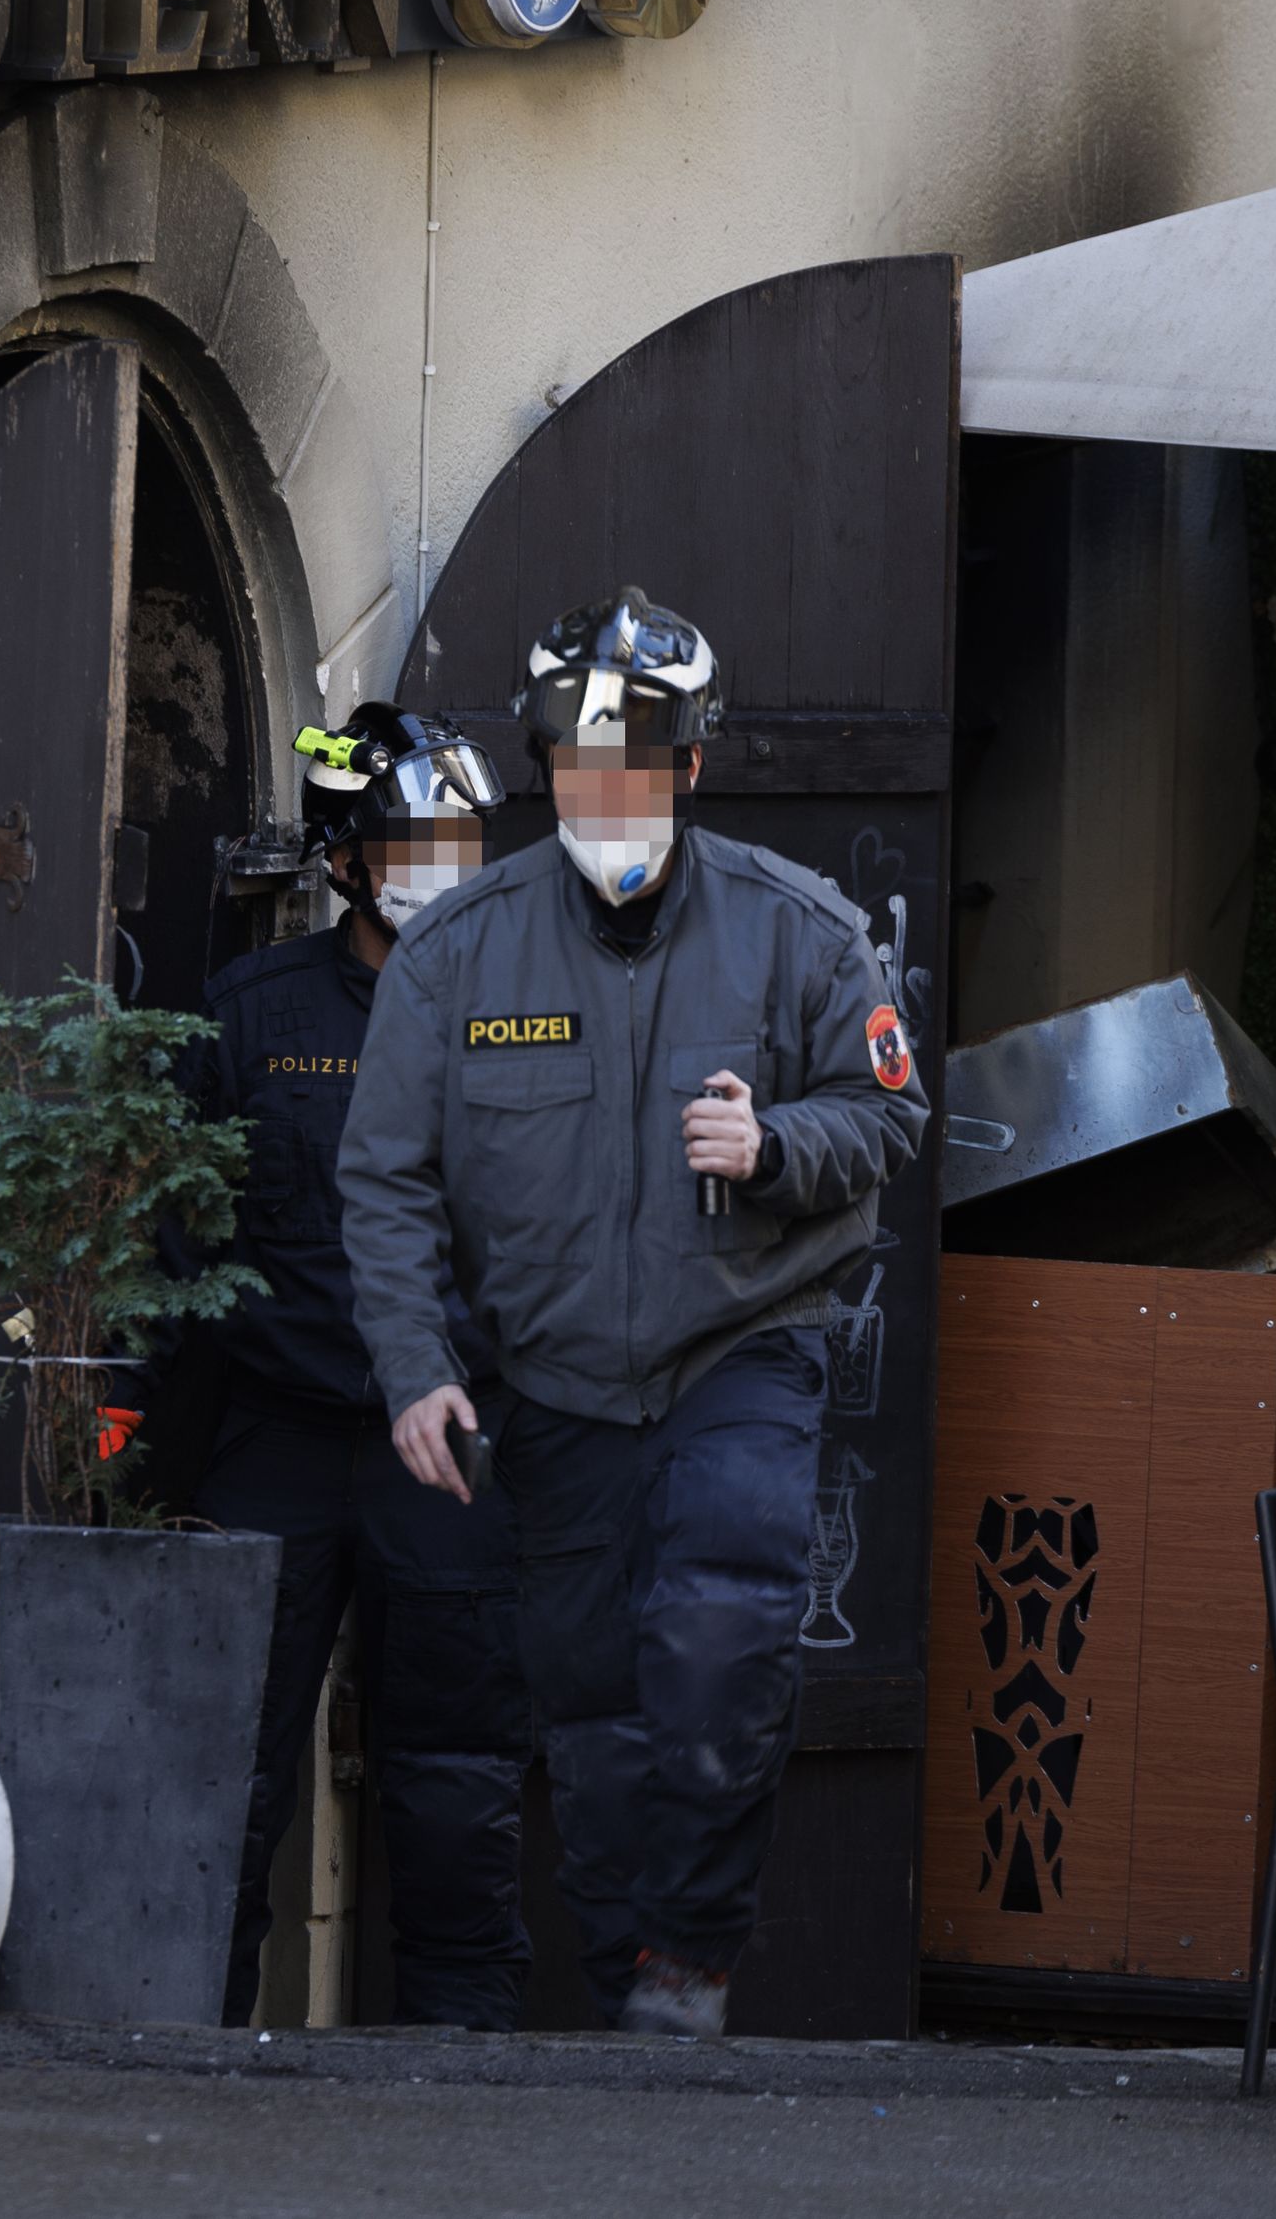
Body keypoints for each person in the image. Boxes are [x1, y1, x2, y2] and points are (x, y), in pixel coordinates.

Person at [338, 588, 927, 2038]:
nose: (606, 792)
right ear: (545, 766)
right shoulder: (454, 959)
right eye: (579, 761)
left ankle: (693, 1956)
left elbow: (893, 1110)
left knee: (724, 1646)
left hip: (742, 1350)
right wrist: (417, 1368)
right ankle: (634, 2007)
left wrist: (778, 1146)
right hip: (555, 1391)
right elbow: (387, 1183)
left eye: (636, 762)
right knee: (594, 1728)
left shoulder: (803, 932)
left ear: (690, 767)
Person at [177, 703, 533, 2029]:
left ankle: (468, 2080)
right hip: (277, 1441)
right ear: (344, 864)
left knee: (456, 1780)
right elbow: (178, 1258)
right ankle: (185, 2056)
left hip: (450, 1447)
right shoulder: (250, 1020)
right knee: (227, 1776)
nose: (446, 866)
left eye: (465, 841)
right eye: (415, 842)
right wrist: (125, 1456)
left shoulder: (532, 1019)